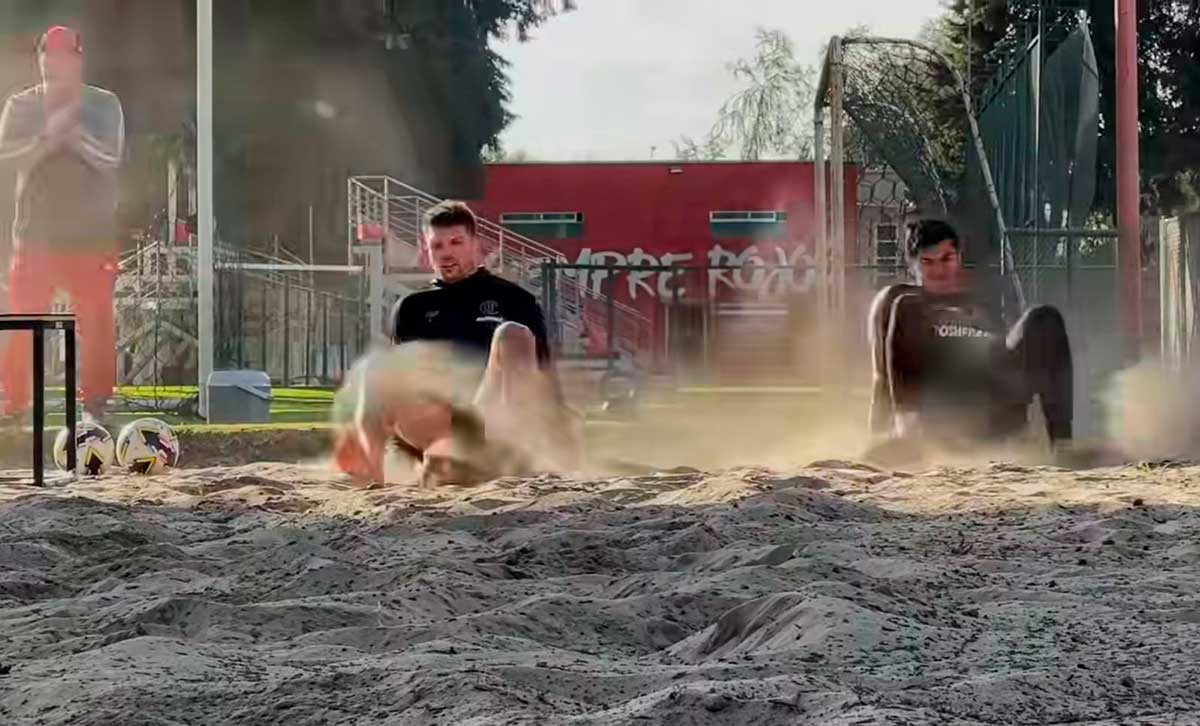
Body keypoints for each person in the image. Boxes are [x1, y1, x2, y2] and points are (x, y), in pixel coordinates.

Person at [332, 200, 580, 486]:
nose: (447, 253)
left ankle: (510, 461)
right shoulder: (412, 306)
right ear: (426, 250)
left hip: (491, 417)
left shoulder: (515, 300)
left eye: (456, 242)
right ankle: (373, 484)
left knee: (512, 333)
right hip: (437, 421)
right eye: (437, 246)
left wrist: (562, 441)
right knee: (375, 366)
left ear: (475, 244)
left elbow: (544, 379)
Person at [867, 219, 1074, 463]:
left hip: (992, 402)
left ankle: (1063, 446)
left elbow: (1009, 357)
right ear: (913, 265)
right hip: (942, 407)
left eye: (947, 258)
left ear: (959, 258)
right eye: (927, 261)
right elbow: (882, 375)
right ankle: (911, 434)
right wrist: (880, 434)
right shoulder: (901, 300)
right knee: (908, 304)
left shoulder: (980, 304)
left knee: (1044, 317)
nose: (939, 270)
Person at [0, 26, 125, 422]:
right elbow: (6, 158)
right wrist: (48, 139)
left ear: (78, 58)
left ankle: (97, 404)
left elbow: (112, 158)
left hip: (91, 238)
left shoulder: (104, 104)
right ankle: (15, 404)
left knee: (98, 322)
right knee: (22, 320)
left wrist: (78, 140)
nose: (52, 63)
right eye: (46, 55)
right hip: (35, 235)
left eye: (61, 56)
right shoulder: (21, 105)